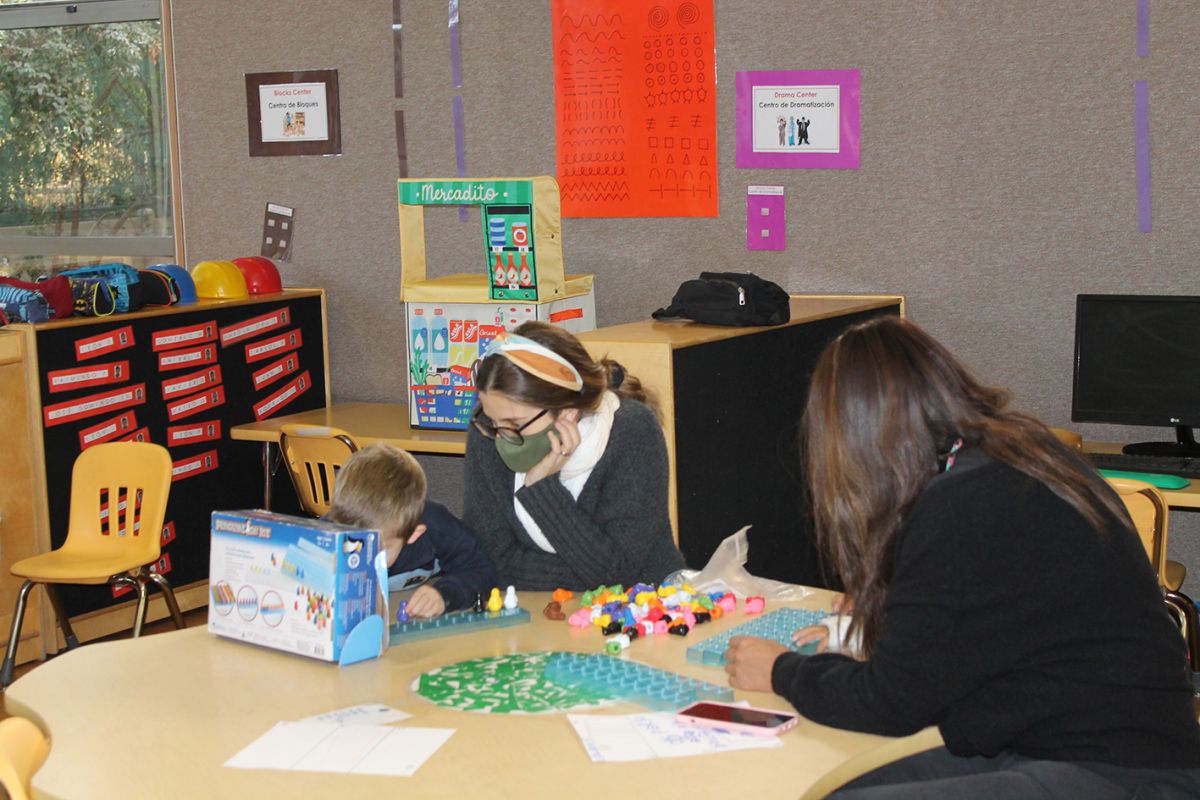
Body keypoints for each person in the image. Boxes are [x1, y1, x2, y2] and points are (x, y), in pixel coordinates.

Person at [724, 316, 1200, 799]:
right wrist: (891, 604)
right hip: (1081, 741)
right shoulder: (1015, 454)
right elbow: (982, 615)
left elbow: (892, 703)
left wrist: (781, 671)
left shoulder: (963, 501)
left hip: (1118, 771)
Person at [463, 321, 686, 590]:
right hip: (534, 609)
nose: (500, 437)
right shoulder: (487, 429)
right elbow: (487, 560)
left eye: (515, 424)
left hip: (643, 604)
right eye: (492, 420)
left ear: (568, 411)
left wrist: (541, 488)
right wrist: (584, 572)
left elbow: (618, 575)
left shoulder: (631, 431)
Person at [326, 442, 496, 618]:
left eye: (379, 550)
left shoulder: (437, 527)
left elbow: (482, 569)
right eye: (352, 545)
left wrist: (444, 594)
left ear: (414, 534)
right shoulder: (329, 530)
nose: (365, 559)